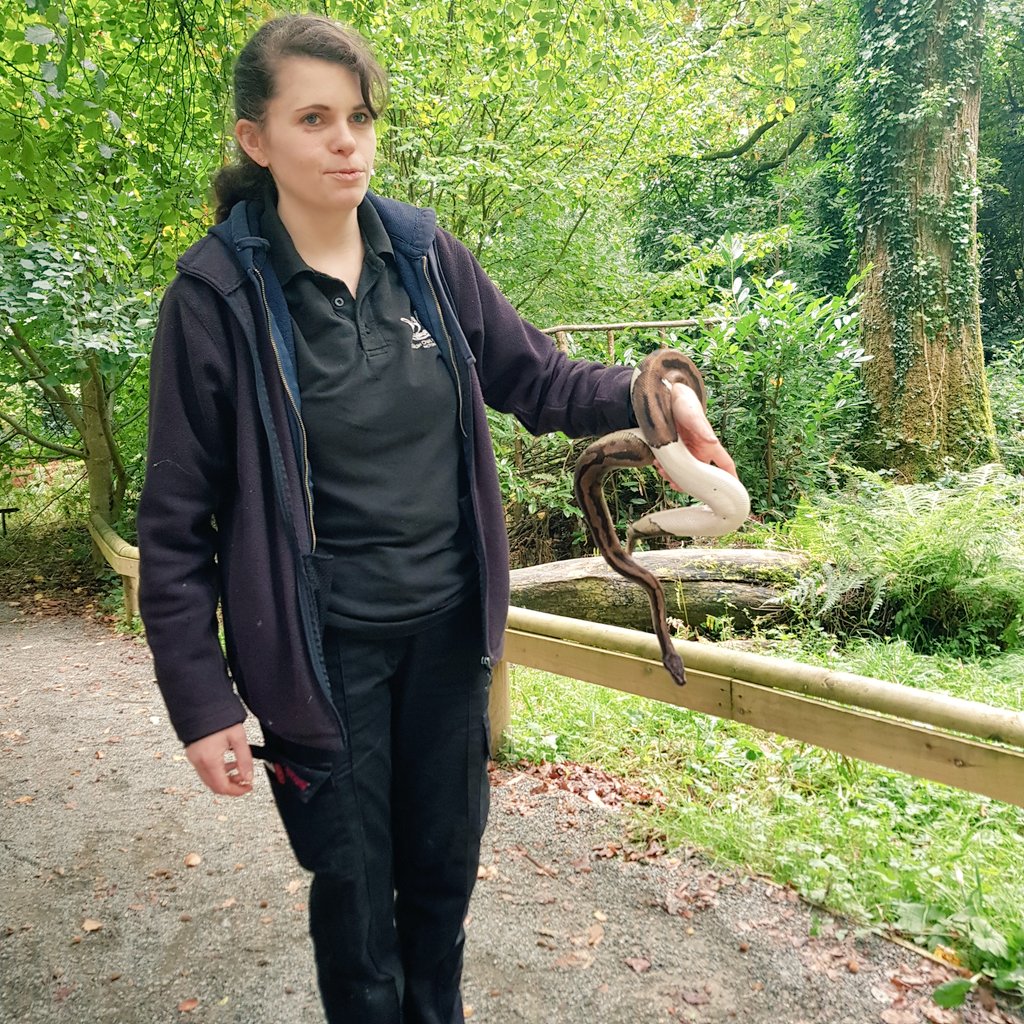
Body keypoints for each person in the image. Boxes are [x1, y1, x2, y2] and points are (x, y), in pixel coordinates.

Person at [137, 14, 737, 1024]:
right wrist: (200, 701)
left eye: (360, 117)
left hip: (449, 639)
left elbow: (535, 378)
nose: (346, 141)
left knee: (440, 889)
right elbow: (175, 525)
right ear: (256, 139)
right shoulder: (216, 298)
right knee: (358, 906)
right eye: (315, 118)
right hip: (318, 660)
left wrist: (654, 395)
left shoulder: (422, 254)